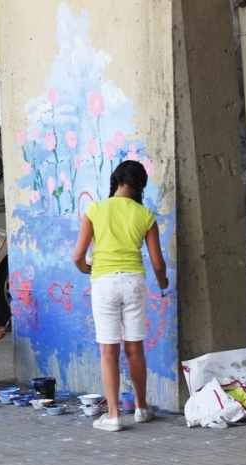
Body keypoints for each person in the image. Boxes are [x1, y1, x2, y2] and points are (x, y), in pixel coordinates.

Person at [72, 160, 168, 432]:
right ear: (140, 186)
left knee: (108, 350)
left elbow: (78, 255)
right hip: (134, 282)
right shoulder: (145, 215)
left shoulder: (95, 210)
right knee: (134, 348)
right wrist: (162, 282)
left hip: (103, 282)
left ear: (116, 180)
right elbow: (158, 264)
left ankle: (113, 416)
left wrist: (87, 269)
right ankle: (141, 408)